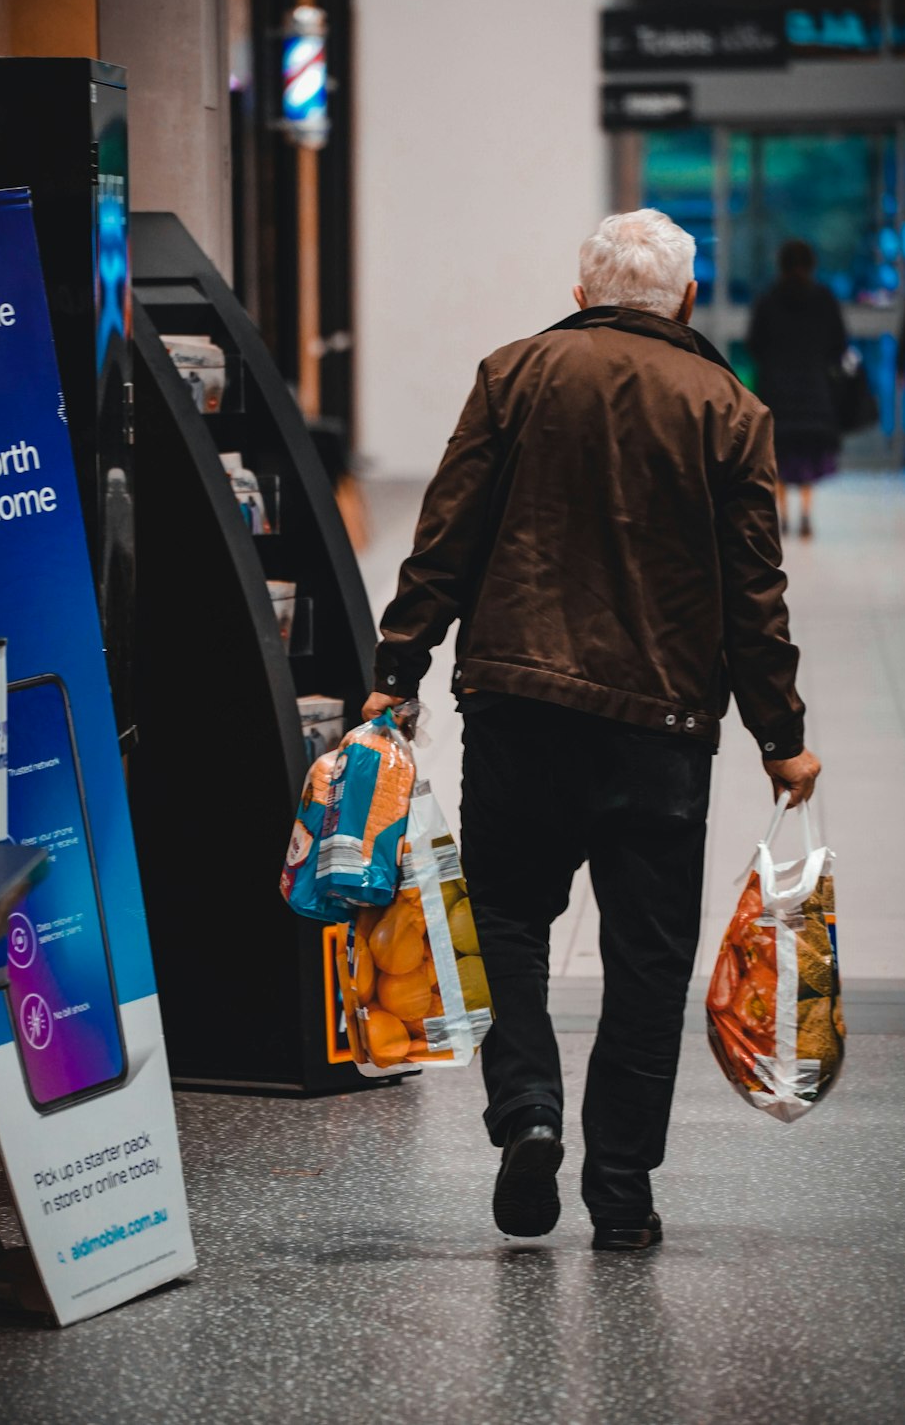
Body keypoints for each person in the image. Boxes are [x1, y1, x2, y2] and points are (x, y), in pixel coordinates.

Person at [361, 208, 821, 1251]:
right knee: (647, 961)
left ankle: (526, 1112)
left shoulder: (513, 374)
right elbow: (755, 595)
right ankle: (621, 1194)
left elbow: (448, 532)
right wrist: (779, 733)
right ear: (688, 299)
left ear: (581, 294)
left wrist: (399, 666)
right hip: (659, 725)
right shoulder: (728, 407)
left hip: (517, 706)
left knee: (509, 928)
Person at [746, 238, 847, 538]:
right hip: (814, 389)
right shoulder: (824, 298)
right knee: (807, 454)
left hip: (776, 390)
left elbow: (755, 344)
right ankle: (805, 513)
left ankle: (784, 516)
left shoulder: (768, 299)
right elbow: (838, 343)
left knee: (778, 452)